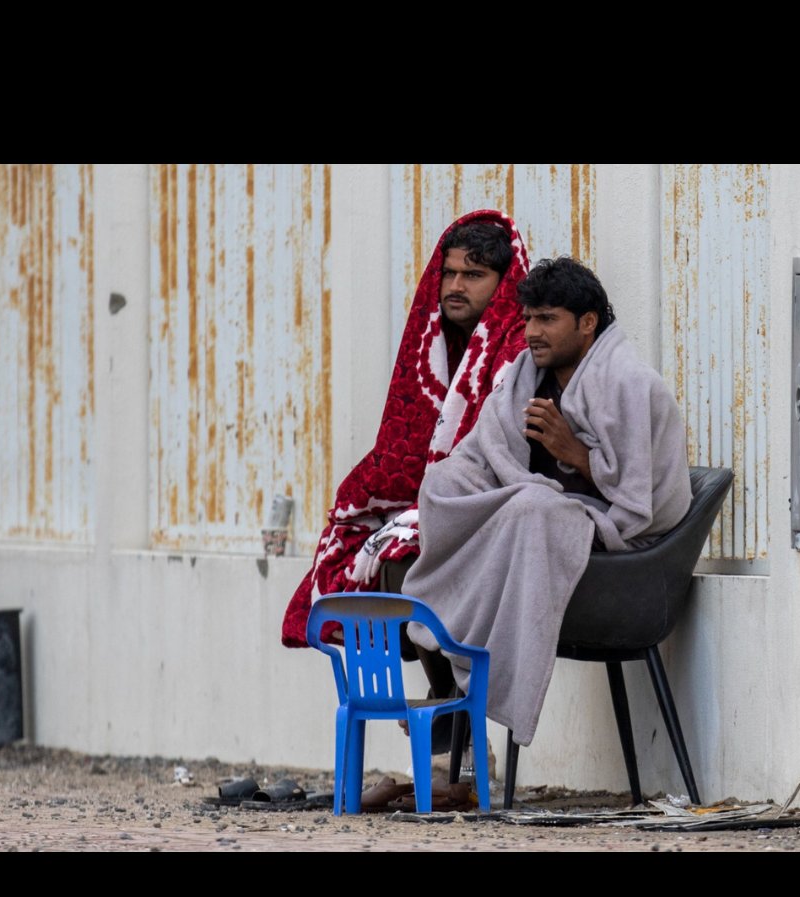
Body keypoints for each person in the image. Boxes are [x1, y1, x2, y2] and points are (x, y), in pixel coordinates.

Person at [401, 257, 693, 746]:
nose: (532, 332)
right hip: (535, 521)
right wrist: (473, 483)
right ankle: (451, 655)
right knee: (441, 483)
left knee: (530, 508)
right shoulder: (524, 376)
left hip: (617, 551)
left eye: (547, 319)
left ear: (587, 322)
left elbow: (638, 501)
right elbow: (483, 452)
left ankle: (471, 685)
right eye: (529, 319)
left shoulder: (630, 384)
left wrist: (573, 452)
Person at [282, 209, 531, 713]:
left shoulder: (518, 350)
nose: (455, 286)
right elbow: (407, 442)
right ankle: (424, 715)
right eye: (449, 273)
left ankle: (449, 716)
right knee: (367, 540)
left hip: (504, 508)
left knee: (405, 557)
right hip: (447, 499)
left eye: (473, 275)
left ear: (503, 283)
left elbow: (503, 455)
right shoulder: (439, 343)